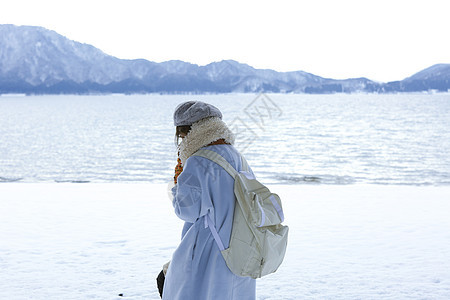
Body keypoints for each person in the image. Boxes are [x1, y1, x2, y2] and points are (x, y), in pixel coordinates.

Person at [162, 101, 256, 299]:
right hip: (240, 245)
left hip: (208, 249)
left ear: (187, 131)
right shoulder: (237, 156)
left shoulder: (198, 161)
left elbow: (187, 210)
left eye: (180, 134)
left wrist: (178, 180)